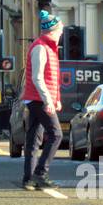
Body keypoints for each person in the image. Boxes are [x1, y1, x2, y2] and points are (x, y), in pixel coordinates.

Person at [20, 10, 65, 190]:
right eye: (60, 30)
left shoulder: (49, 48)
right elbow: (38, 78)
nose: (62, 34)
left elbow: (52, 78)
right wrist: (48, 101)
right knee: (57, 134)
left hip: (39, 99)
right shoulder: (40, 47)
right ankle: (40, 173)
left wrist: (57, 99)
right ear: (53, 31)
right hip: (38, 99)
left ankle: (28, 179)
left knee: (33, 140)